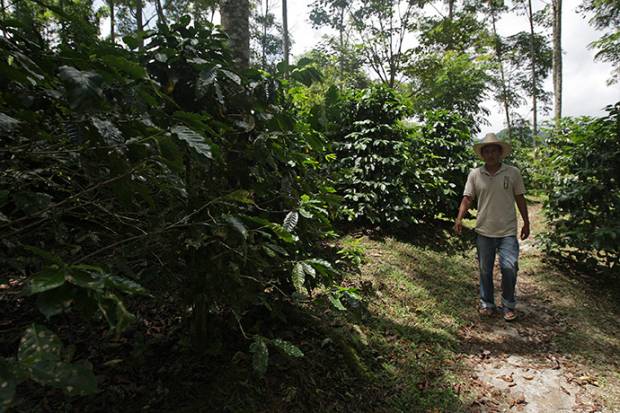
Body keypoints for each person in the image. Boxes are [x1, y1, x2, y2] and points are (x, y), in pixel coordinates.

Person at [453, 133, 530, 321]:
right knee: (485, 269)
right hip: (484, 231)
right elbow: (468, 198)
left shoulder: (513, 173)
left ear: (500, 152)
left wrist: (526, 222)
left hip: (507, 231)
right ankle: (487, 303)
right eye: (486, 151)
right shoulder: (475, 174)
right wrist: (459, 218)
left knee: (510, 267)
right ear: (482, 154)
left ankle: (508, 304)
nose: (490, 154)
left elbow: (520, 197)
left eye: (494, 150)